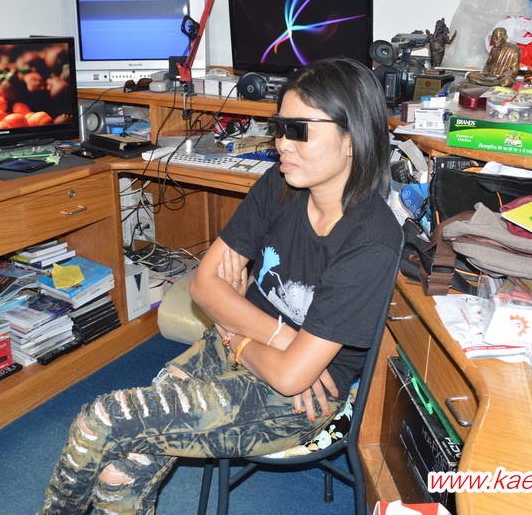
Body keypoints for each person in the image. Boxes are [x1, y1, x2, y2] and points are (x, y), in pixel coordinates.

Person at [38, 56, 403, 514]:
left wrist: (234, 330)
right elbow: (203, 287)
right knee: (122, 467)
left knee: (101, 421)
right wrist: (272, 337)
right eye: (279, 128)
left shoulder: (371, 242)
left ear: (351, 138)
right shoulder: (280, 185)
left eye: (298, 130)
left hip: (299, 399)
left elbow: (291, 377)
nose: (281, 144)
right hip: (253, 345)